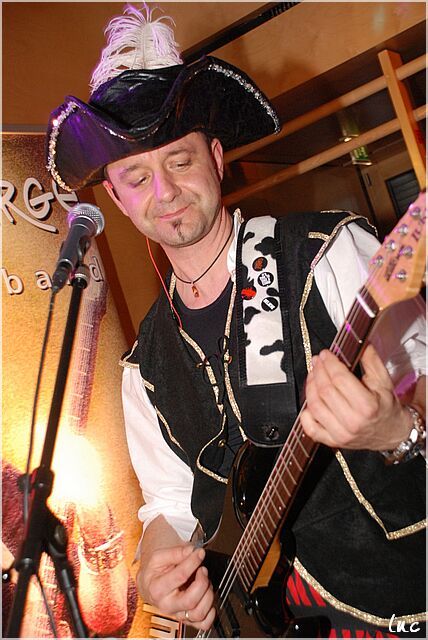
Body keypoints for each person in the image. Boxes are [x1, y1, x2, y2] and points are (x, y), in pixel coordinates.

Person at [46, 4, 426, 637]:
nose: (164, 192)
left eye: (180, 160)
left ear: (217, 157)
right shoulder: (144, 366)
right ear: (115, 198)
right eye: (136, 177)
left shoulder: (326, 254)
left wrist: (397, 430)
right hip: (282, 613)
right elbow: (171, 505)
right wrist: (155, 570)